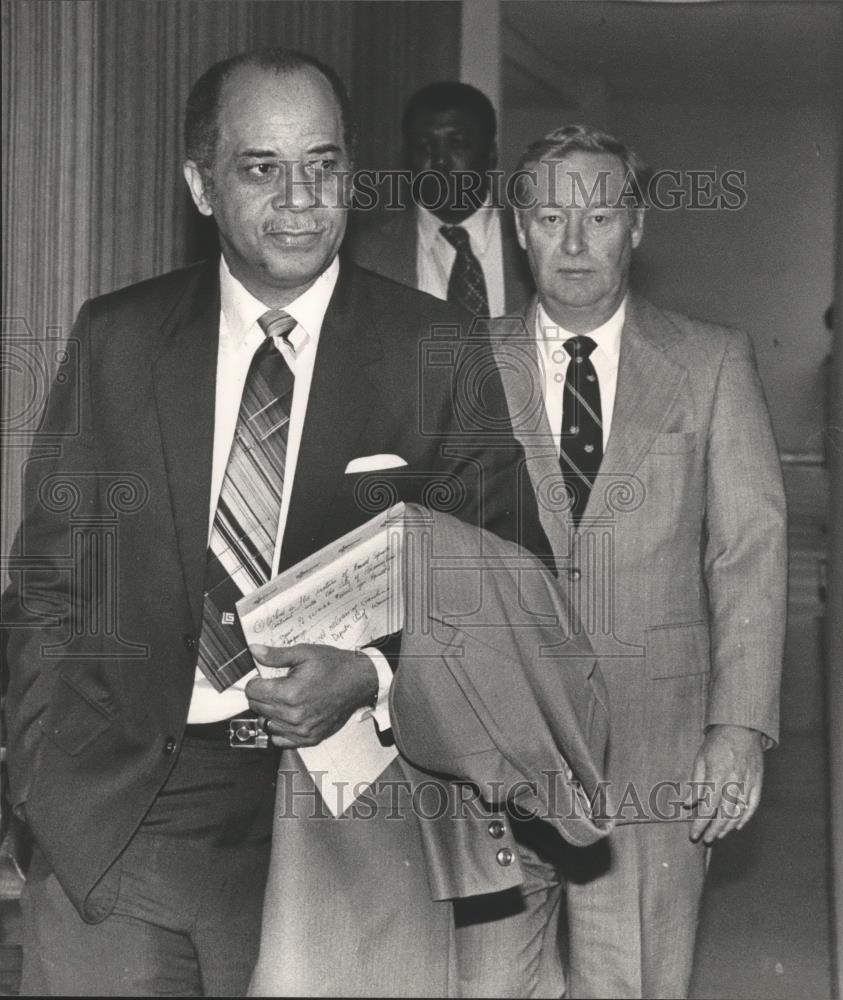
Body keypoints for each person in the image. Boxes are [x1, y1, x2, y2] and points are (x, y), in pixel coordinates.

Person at [1, 49, 551, 995]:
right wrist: (42, 785)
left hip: (346, 815)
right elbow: (49, 578)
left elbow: (515, 583)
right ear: (201, 186)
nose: (300, 197)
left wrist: (375, 674)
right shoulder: (119, 338)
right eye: (261, 167)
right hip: (124, 815)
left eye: (324, 164)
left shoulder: (434, 347)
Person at [486, 124, 787, 998]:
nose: (574, 243)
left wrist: (736, 729)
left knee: (636, 976)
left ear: (637, 227)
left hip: (657, 740)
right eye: (549, 217)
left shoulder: (707, 361)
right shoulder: (466, 362)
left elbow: (749, 551)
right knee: (487, 976)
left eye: (600, 216)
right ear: (519, 231)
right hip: (500, 740)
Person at [347, 81, 533, 317]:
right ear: (408, 161)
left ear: (491, 156)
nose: (440, 161)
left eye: (458, 144)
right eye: (425, 146)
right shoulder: (363, 257)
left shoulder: (533, 242)